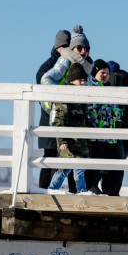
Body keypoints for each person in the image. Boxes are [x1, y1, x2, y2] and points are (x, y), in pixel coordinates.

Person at [44, 57, 92, 193]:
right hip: (69, 141)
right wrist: (62, 140)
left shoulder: (82, 98)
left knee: (80, 169)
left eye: (84, 81)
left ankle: (82, 192)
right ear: (72, 81)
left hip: (81, 141)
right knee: (64, 169)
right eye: (80, 81)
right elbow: (59, 120)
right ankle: (52, 189)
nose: (83, 83)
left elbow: (85, 119)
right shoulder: (65, 96)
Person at [36, 28, 72, 190]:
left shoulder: (71, 65)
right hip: (48, 121)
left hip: (66, 121)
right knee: (49, 157)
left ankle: (69, 191)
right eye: (63, 47)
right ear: (57, 48)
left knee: (68, 157)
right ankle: (44, 191)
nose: (65, 50)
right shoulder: (46, 68)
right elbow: (43, 98)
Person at [85, 60, 125, 196]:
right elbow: (95, 109)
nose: (105, 75)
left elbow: (114, 108)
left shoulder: (110, 88)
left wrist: (123, 114)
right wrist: (118, 113)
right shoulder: (91, 87)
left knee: (117, 165)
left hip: (109, 136)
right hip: (96, 136)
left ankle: (113, 193)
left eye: (107, 73)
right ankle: (91, 188)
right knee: (96, 166)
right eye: (102, 72)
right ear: (95, 73)